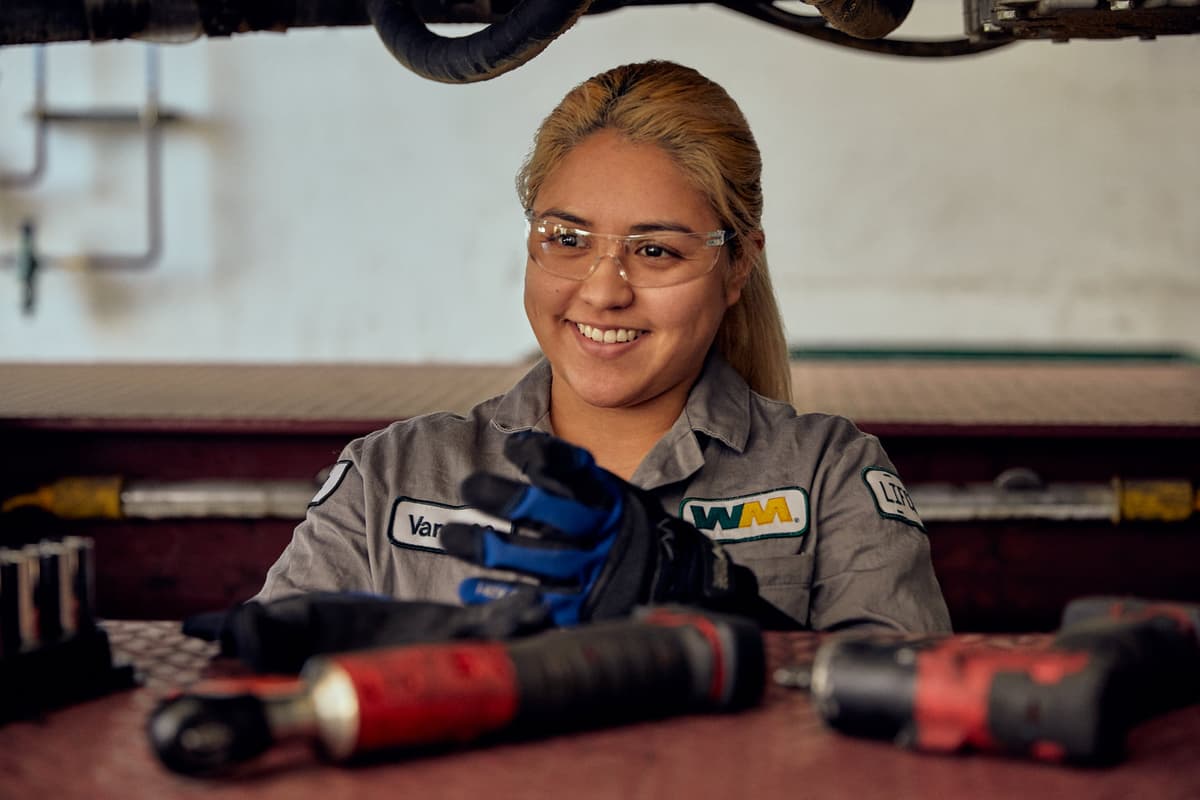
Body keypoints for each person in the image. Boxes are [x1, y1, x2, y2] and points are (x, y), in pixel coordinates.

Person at [254, 60, 952, 633]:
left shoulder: (827, 474)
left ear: (738, 266)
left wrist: (718, 610)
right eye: (567, 240)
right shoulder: (391, 475)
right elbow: (269, 695)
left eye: (655, 251)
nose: (603, 291)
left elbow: (903, 721)